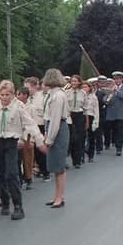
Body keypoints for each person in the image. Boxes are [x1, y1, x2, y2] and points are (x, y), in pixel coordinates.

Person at [0, 80, 45, 220]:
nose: (5, 97)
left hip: (11, 142)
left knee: (12, 173)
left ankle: (18, 206)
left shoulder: (18, 107)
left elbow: (30, 124)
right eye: (2, 94)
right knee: (0, 173)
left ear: (12, 95)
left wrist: (38, 140)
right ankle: (5, 201)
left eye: (8, 94)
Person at [42, 68, 70, 209]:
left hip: (58, 130)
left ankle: (60, 197)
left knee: (59, 166)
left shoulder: (58, 95)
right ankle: (57, 196)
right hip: (55, 127)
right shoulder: (54, 94)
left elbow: (55, 119)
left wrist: (49, 139)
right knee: (56, 165)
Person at [105, 71, 123, 156]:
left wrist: (117, 91)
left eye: (118, 79)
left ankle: (119, 148)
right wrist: (110, 93)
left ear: (122, 79)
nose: (117, 80)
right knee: (114, 131)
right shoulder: (110, 88)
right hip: (111, 113)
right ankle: (113, 143)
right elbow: (105, 100)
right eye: (115, 79)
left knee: (120, 132)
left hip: (121, 114)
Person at [16, 87, 35, 189]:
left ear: (25, 96)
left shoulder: (30, 107)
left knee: (27, 159)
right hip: (17, 135)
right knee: (17, 159)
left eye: (20, 94)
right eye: (17, 94)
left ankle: (28, 178)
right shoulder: (15, 106)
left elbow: (32, 123)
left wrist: (31, 139)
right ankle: (19, 179)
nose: (18, 96)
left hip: (27, 135)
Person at [66, 75, 86, 168]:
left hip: (79, 115)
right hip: (70, 115)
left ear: (79, 82)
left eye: (75, 81)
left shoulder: (83, 93)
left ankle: (77, 160)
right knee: (70, 138)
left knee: (78, 138)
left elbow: (85, 106)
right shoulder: (66, 92)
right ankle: (66, 159)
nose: (73, 83)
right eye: (72, 81)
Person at [83, 80, 100, 163]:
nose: (84, 89)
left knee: (91, 137)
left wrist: (96, 122)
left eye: (85, 87)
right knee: (81, 138)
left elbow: (96, 110)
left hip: (90, 116)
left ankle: (91, 155)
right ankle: (81, 156)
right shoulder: (80, 96)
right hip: (82, 117)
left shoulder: (93, 97)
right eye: (82, 87)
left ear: (89, 88)